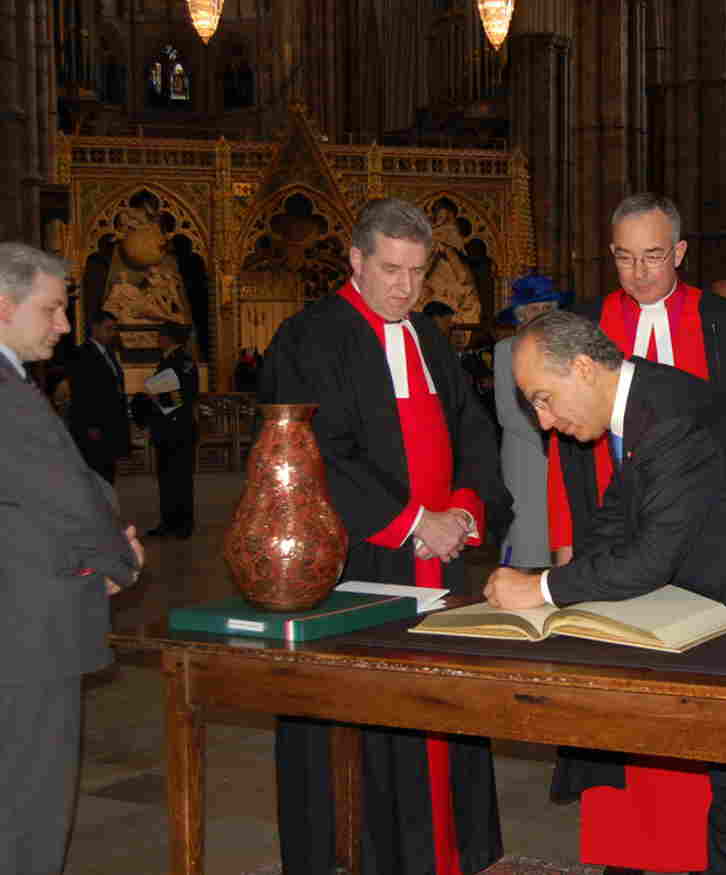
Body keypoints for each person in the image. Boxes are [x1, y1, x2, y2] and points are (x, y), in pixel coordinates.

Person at [487, 309, 726, 875]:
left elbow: (649, 560)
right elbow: (620, 516)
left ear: (582, 368)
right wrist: (560, 585)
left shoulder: (671, 416)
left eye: (543, 398)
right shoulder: (644, 400)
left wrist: (543, 589)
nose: (545, 420)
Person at [259, 198, 513, 875]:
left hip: (441, 560)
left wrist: (463, 510)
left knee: (442, 711)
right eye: (391, 270)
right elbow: (315, 451)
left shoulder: (429, 337)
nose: (404, 287)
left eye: (416, 272)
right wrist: (411, 523)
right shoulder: (310, 337)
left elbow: (474, 430)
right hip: (360, 565)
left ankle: (449, 855)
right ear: (356, 261)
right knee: (367, 730)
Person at [547, 193, 726, 873]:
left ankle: (703, 849)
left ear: (679, 253)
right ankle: (625, 852)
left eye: (653, 256)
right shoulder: (586, 326)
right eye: (624, 257)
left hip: (708, 545)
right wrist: (566, 538)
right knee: (621, 701)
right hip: (611, 542)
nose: (639, 273)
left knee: (700, 696)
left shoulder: (725, 326)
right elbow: (558, 448)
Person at [0, 242, 143, 875]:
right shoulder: (8, 394)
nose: (63, 325)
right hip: (24, 635)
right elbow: (66, 497)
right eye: (52, 309)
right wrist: (121, 561)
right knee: (29, 801)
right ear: (4, 306)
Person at [494, 272, 572, 570]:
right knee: (527, 527)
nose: (540, 316)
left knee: (560, 525)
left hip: (564, 444)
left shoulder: (565, 348)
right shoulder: (506, 350)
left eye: (546, 309)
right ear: (520, 314)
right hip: (526, 452)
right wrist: (545, 438)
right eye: (534, 309)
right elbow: (507, 412)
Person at [145, 321, 198, 538]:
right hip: (168, 429)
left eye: (160, 335)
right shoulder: (171, 359)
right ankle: (168, 521)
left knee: (181, 478)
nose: (158, 339)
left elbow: (184, 396)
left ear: (168, 338)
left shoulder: (182, 361)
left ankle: (183, 524)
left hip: (179, 428)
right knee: (166, 477)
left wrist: (156, 395)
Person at [66, 309, 130, 483]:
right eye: (108, 329)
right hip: (93, 428)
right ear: (95, 328)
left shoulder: (109, 354)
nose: (112, 333)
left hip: (110, 426)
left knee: (108, 477)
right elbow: (82, 393)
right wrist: (91, 425)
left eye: (114, 329)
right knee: (96, 477)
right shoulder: (82, 354)